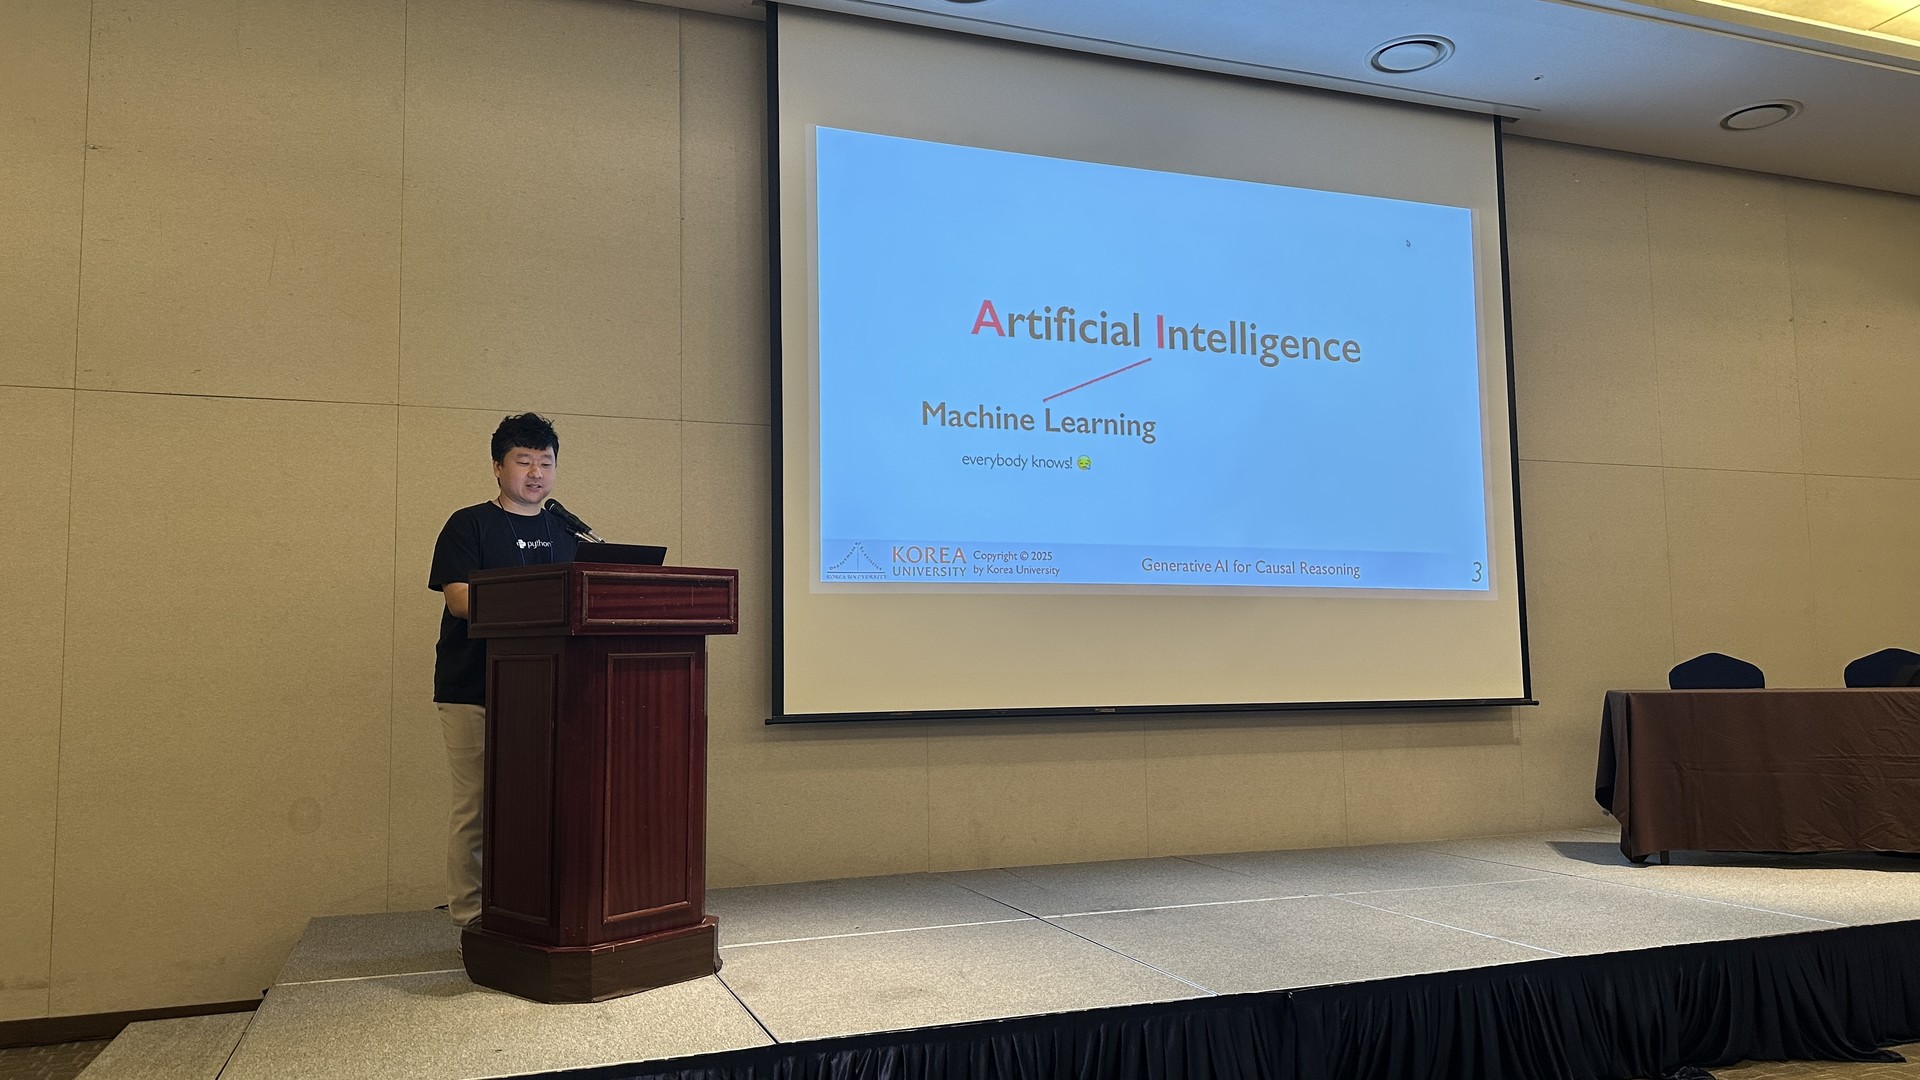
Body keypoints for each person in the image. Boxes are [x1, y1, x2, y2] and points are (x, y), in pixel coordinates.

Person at [427, 413, 579, 927]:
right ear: (497, 467)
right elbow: (459, 600)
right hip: (473, 687)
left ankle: (529, 905)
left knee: (540, 802)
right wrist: (538, 602)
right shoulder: (468, 523)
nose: (536, 473)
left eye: (546, 463)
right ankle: (471, 917)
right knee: (476, 805)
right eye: (524, 461)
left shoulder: (565, 530)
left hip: (547, 689)